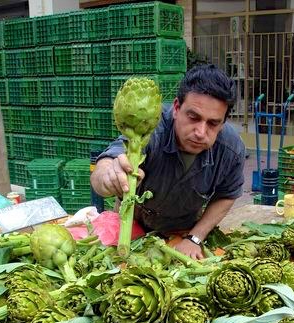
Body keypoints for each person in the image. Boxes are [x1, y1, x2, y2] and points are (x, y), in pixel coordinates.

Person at [90, 64, 246, 259]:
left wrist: (195, 238)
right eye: (193, 117)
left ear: (223, 123)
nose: (200, 132)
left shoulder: (231, 149)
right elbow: (110, 159)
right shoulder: (151, 128)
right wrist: (108, 176)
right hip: (130, 227)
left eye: (213, 123)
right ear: (176, 108)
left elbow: (227, 195)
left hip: (184, 233)